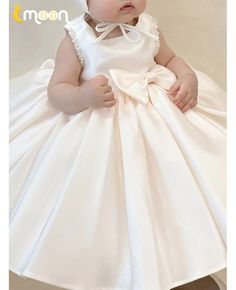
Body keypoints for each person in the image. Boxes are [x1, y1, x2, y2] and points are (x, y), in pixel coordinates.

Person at [9, 0, 227, 290]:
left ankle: (177, 253)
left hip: (155, 118)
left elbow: (171, 59)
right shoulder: (77, 37)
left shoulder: (148, 28)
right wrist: (82, 96)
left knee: (171, 182)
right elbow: (58, 89)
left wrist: (187, 77)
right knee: (106, 196)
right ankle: (111, 265)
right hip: (99, 124)